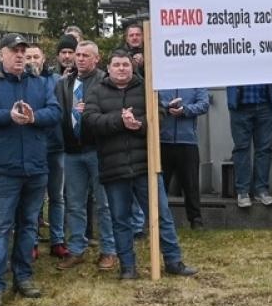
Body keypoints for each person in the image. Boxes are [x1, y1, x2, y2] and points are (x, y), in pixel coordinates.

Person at [84, 50, 196, 279]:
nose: (122, 68)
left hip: (146, 165)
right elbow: (89, 121)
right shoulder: (96, 91)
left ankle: (174, 261)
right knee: (120, 219)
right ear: (109, 67)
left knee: (161, 214)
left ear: (131, 67)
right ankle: (127, 267)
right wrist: (119, 120)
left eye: (125, 64)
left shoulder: (146, 88)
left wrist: (140, 124)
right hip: (114, 168)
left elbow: (160, 114)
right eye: (117, 65)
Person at [0, 34, 59, 306]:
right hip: (4, 169)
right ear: (3, 54)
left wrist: (34, 118)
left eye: (23, 51)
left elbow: (54, 113)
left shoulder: (41, 83)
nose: (20, 55)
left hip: (35, 166)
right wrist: (7, 115)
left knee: (29, 225)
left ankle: (24, 277)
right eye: (15, 51)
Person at [56, 42, 118, 270]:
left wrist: (91, 112)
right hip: (72, 151)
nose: (79, 59)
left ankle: (109, 250)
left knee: (104, 204)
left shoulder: (105, 82)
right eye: (77, 55)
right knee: (74, 203)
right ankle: (76, 249)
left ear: (96, 59)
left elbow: (112, 112)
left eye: (85, 55)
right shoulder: (65, 83)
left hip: (97, 150)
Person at [24, 42, 66, 258]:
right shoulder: (20, 82)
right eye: (28, 57)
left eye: (35, 57)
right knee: (34, 199)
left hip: (55, 146)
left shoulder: (57, 81)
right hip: (32, 148)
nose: (32, 61)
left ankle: (57, 240)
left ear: (43, 59)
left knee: (57, 196)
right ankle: (31, 241)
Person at [158, 84, 210, 228]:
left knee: (191, 183)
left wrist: (185, 110)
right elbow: (150, 102)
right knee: (160, 184)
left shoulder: (195, 80)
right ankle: (158, 221)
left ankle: (196, 220)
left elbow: (204, 104)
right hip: (162, 141)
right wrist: (166, 106)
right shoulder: (161, 79)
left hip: (188, 141)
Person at [227, 83, 272, 208]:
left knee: (265, 149)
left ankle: (261, 190)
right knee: (241, 149)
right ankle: (243, 192)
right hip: (240, 104)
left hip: (265, 101)